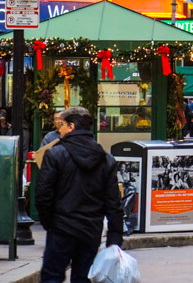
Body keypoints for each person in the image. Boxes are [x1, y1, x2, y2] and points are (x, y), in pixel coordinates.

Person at [36, 107, 123, 283]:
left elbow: (43, 195)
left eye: (62, 125)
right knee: (82, 277)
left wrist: (49, 223)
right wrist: (114, 236)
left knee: (52, 276)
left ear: (72, 127)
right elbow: (113, 202)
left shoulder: (55, 154)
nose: (59, 129)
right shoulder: (106, 159)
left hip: (61, 228)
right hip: (90, 230)